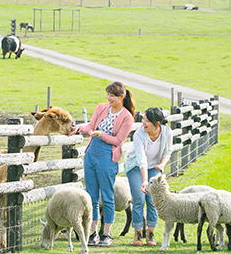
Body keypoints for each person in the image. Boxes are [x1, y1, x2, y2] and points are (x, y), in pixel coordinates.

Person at [69, 81, 135, 247]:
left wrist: (100, 134)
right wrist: (79, 129)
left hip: (108, 157)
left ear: (121, 97)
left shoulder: (127, 117)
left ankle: (106, 234)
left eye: (112, 95)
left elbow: (118, 140)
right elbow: (91, 126)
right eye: (108, 94)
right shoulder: (100, 108)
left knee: (107, 196)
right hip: (91, 154)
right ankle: (93, 232)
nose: (108, 98)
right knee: (91, 195)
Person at [124, 107, 172, 246]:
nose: (143, 122)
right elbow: (141, 159)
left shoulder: (166, 132)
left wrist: (162, 165)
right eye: (143, 119)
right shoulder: (139, 134)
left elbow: (167, 152)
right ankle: (137, 235)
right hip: (135, 167)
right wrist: (145, 181)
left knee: (153, 199)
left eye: (147, 120)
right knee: (139, 198)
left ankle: (150, 235)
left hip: (155, 167)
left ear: (157, 123)